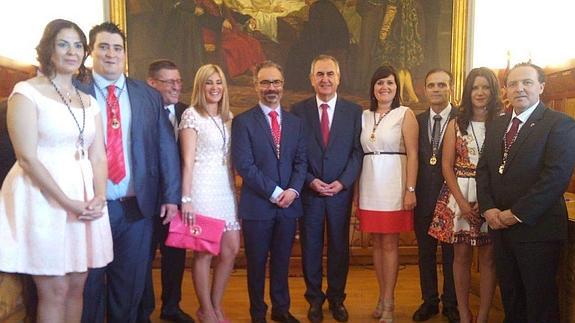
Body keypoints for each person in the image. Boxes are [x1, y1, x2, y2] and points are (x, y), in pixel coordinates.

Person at [0, 19, 113, 322]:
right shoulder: (26, 92)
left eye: (78, 45)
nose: (71, 51)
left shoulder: (89, 102)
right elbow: (26, 157)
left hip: (84, 198)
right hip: (43, 199)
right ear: (48, 49)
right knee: (55, 290)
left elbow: (98, 155)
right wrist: (67, 203)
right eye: (63, 44)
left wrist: (99, 195)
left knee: (77, 287)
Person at [77, 22, 181, 323]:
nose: (111, 54)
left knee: (130, 286)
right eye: (103, 47)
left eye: (117, 48)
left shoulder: (146, 95)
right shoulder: (75, 91)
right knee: (90, 286)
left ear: (125, 54)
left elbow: (166, 149)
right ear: (91, 53)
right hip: (91, 208)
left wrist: (171, 196)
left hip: (137, 209)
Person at [476, 62, 575, 323]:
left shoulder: (560, 123)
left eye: (527, 82)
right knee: (511, 296)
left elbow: (555, 178)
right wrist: (488, 209)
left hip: (537, 230)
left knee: (539, 301)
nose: (519, 88)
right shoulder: (497, 125)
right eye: (513, 83)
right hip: (499, 227)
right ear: (505, 90)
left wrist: (515, 214)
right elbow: (484, 169)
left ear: (541, 86)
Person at [231, 61, 307, 323]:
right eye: (265, 82)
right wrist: (276, 192)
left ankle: (281, 309)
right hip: (258, 207)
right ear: (255, 86)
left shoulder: (296, 122)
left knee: (282, 261)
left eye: (275, 82)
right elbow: (245, 165)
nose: (270, 88)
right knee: (256, 264)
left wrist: (294, 191)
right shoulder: (242, 122)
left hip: (288, 206)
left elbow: (301, 162)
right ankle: (258, 313)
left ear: (283, 86)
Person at [291, 55, 362, 323]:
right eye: (320, 74)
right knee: (310, 247)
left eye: (330, 74)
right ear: (311, 79)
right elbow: (294, 154)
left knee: (339, 248)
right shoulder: (298, 111)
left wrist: (342, 182)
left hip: (339, 193)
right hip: (310, 192)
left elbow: (357, 153)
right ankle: (314, 299)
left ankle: (336, 298)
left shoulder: (354, 112)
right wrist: (310, 180)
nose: (325, 79)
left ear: (338, 78)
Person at [428, 67, 501, 323]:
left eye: (485, 87)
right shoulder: (456, 123)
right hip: (459, 194)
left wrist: (487, 200)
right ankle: (463, 311)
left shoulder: (503, 121)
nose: (480, 93)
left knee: (489, 258)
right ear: (467, 92)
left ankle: (482, 315)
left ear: (493, 91)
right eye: (474, 88)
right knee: (460, 256)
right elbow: (446, 165)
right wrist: (461, 201)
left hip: (491, 196)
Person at [179, 63, 241, 323]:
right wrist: (186, 198)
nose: (214, 87)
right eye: (209, 82)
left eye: (218, 82)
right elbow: (187, 160)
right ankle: (205, 309)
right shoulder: (192, 115)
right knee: (204, 252)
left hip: (225, 189)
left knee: (231, 249)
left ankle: (216, 304)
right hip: (202, 189)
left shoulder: (229, 118)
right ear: (200, 86)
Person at [357, 65, 418, 323]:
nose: (385, 87)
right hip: (369, 183)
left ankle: (390, 302)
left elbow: (414, 154)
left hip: (394, 182)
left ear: (397, 87)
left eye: (390, 83)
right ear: (373, 87)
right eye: (380, 82)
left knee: (391, 243)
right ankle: (381, 297)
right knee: (377, 244)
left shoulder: (405, 114)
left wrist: (410, 190)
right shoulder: (363, 115)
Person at [139, 59, 194, 323]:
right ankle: (143, 310)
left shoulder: (188, 113)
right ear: (152, 83)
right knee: (143, 260)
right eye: (169, 81)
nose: (176, 87)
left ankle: (171, 307)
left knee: (174, 258)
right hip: (146, 203)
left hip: (179, 203)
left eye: (178, 81)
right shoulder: (139, 113)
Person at [413, 68, 459, 322]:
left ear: (451, 87)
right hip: (423, 199)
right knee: (425, 253)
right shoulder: (416, 121)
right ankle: (429, 301)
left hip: (453, 200)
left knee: (452, 255)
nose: (437, 89)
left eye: (442, 84)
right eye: (432, 85)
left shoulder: (462, 119)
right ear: (424, 89)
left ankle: (451, 303)